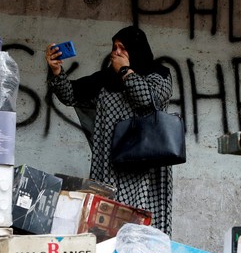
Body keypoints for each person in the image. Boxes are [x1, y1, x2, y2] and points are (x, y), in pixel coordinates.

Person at [45, 26, 174, 236]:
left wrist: (125, 71)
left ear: (136, 50)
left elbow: (148, 101)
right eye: (114, 47)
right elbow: (70, 95)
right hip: (111, 165)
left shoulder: (158, 75)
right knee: (108, 227)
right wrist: (57, 71)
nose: (117, 52)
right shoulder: (105, 80)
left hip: (146, 167)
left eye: (123, 48)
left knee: (142, 228)